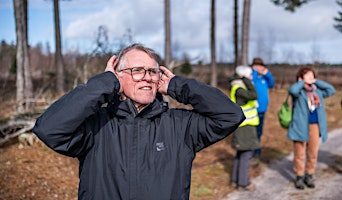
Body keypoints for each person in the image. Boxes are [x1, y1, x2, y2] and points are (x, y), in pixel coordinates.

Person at [33, 43, 245, 200]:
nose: (146, 77)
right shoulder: (95, 126)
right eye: (137, 70)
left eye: (152, 71)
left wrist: (177, 86)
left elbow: (230, 115)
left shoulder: (180, 126)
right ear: (118, 77)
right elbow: (49, 128)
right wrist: (105, 83)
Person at [287, 67, 336, 190]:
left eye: (312, 75)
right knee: (300, 153)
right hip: (300, 125)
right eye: (307, 75)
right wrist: (300, 83)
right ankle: (299, 176)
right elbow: (292, 90)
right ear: (301, 77)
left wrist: (316, 81)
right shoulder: (299, 91)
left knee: (312, 153)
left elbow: (331, 90)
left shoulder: (317, 91)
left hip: (315, 125)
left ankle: (309, 175)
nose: (310, 77)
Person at [229, 65, 260, 191]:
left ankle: (235, 180)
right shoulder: (239, 89)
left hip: (243, 125)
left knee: (241, 153)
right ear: (244, 77)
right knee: (247, 154)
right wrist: (247, 81)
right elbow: (254, 95)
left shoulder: (237, 87)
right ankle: (244, 182)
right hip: (244, 127)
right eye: (250, 75)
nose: (252, 77)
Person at [251, 57, 275, 163]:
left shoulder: (264, 79)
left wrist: (267, 73)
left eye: (260, 66)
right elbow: (251, 82)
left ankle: (257, 153)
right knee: (252, 132)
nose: (259, 68)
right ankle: (250, 153)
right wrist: (255, 72)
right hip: (253, 110)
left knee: (259, 132)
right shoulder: (253, 77)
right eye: (256, 66)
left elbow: (272, 83)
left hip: (262, 110)